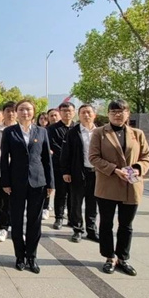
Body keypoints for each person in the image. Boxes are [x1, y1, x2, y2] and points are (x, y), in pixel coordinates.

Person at [89, 99, 149, 276]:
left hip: (131, 185)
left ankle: (123, 258)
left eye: (121, 111)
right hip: (108, 184)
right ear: (108, 114)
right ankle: (109, 257)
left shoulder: (137, 134)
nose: (117, 115)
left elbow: (146, 157)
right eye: (113, 112)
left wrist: (137, 168)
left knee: (126, 225)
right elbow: (93, 157)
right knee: (106, 223)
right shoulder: (100, 133)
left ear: (127, 113)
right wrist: (114, 169)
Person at [1, 99, 54, 274]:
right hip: (16, 182)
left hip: (38, 182)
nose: (25, 112)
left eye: (28, 109)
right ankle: (19, 256)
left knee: (35, 221)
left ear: (34, 112)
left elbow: (47, 159)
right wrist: (5, 182)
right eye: (21, 109)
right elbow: (4, 159)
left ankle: (32, 256)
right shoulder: (9, 132)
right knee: (16, 220)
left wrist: (50, 183)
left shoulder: (42, 131)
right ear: (16, 112)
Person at [60, 104, 99, 243]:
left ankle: (91, 229)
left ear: (94, 115)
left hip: (96, 173)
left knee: (92, 203)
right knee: (76, 203)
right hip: (78, 173)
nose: (86, 115)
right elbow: (65, 153)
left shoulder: (100, 132)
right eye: (83, 113)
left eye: (89, 112)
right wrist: (65, 171)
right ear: (79, 115)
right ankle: (77, 229)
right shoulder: (72, 132)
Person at [0, 101, 17, 242]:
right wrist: (10, 160)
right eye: (8, 111)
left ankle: (16, 227)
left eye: (13, 111)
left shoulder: (22, 129)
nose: (11, 114)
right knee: (2, 200)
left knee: (17, 200)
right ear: (3, 113)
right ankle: (3, 227)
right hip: (1, 170)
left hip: (19, 171)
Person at [48, 102, 76, 230]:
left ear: (74, 112)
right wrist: (67, 156)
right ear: (60, 112)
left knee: (73, 193)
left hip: (75, 166)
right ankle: (59, 217)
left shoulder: (77, 128)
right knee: (61, 192)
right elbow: (54, 146)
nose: (67, 113)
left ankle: (72, 218)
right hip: (59, 165)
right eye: (64, 110)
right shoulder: (52, 129)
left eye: (69, 110)